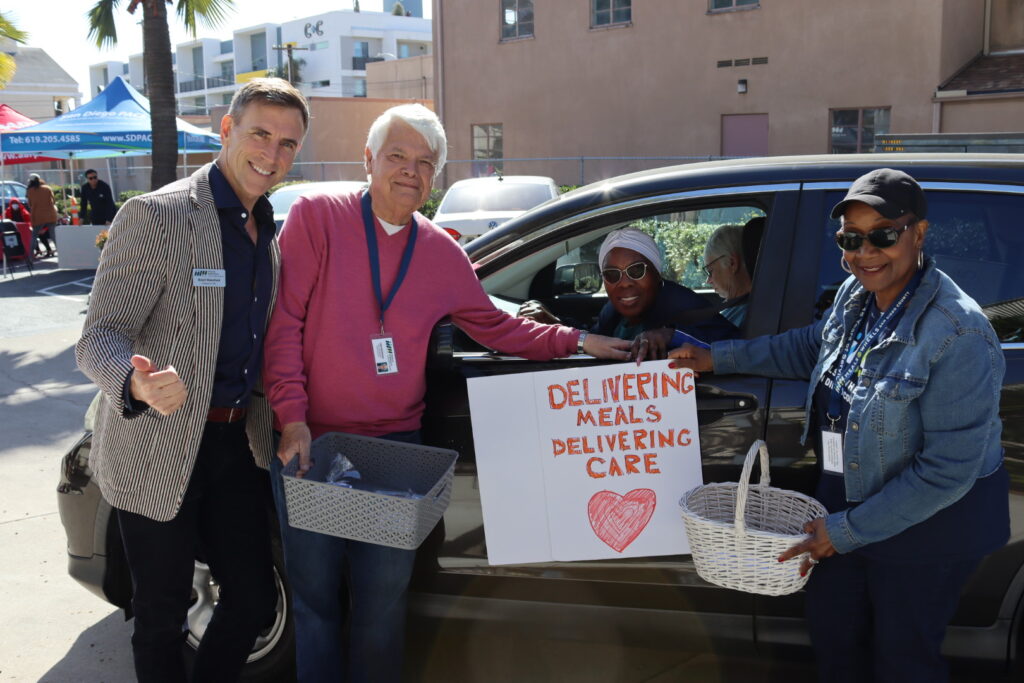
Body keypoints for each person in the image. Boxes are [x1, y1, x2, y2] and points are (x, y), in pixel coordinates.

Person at [262, 103, 631, 683]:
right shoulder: (317, 216)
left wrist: (580, 339)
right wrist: (292, 418)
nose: (410, 171)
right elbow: (283, 325)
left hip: (393, 454)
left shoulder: (440, 251)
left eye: (425, 162)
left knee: (382, 611)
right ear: (368, 160)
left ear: (435, 176)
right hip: (315, 447)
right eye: (398, 156)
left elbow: (499, 326)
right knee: (314, 607)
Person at [669, 168, 1009, 682]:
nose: (865, 252)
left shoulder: (959, 333)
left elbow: (945, 472)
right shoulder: (857, 295)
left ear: (918, 233)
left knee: (903, 662)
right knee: (834, 641)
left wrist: (844, 532)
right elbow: (807, 347)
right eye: (851, 239)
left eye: (883, 235)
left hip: (927, 526)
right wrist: (717, 357)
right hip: (847, 503)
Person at [75, 78, 309, 683]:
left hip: (235, 445)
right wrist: (136, 383)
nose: (273, 153)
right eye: (261, 133)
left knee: (254, 598)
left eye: (288, 143)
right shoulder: (158, 216)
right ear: (227, 131)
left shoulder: (268, 231)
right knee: (161, 612)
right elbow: (98, 336)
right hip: (156, 441)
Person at [518, 227, 738, 342]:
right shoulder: (614, 309)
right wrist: (554, 323)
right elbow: (594, 339)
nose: (624, 283)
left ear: (657, 273)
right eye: (612, 275)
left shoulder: (684, 304)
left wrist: (673, 336)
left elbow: (731, 345)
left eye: (636, 271)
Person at [701, 222, 752, 327]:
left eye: (710, 271)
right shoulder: (744, 307)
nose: (708, 281)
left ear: (732, 263)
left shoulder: (745, 314)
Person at [25, 173, 57, 258]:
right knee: (53, 236)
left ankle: (30, 256)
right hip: (51, 215)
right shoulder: (47, 188)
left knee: (34, 236)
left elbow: (30, 204)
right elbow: (53, 202)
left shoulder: (29, 191)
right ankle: (62, 253)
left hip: (37, 216)